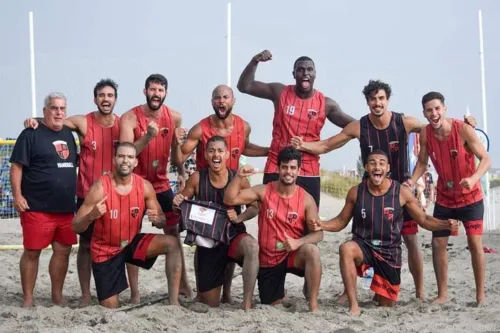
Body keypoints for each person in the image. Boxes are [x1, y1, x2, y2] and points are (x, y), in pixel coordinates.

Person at [291, 80, 473, 299]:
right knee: (360, 241)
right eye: (372, 99)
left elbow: (436, 124)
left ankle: (420, 292)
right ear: (367, 102)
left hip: (401, 194)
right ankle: (349, 291)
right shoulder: (360, 126)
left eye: (381, 98)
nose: (377, 103)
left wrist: (466, 125)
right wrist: (303, 146)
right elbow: (327, 145)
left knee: (411, 240)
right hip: (371, 194)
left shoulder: (403, 122)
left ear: (387, 100)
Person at [22, 79, 140, 305]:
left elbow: (135, 149)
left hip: (116, 196)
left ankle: (133, 293)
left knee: (125, 242)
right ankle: (86, 295)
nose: (106, 99)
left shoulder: (123, 124)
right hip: (86, 195)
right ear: (95, 98)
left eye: (110, 95)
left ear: (115, 99)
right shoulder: (83, 122)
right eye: (102, 95)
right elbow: (56, 121)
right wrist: (34, 120)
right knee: (85, 245)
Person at [309, 150, 457, 315]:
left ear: (387, 168)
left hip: (389, 254)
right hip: (363, 246)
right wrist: (322, 225)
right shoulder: (355, 192)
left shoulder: (401, 192)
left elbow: (423, 219)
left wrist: (445, 225)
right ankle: (354, 306)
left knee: (385, 305)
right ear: (366, 167)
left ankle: (377, 289)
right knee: (346, 249)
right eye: (372, 162)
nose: (376, 166)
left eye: (381, 163)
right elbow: (341, 221)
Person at [237, 50, 355, 207]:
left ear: (315, 74)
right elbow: (244, 86)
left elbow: (354, 127)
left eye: (309, 69)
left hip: (308, 169)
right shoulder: (280, 92)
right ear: (294, 74)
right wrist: (254, 61)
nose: (305, 73)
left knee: (308, 222)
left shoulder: (326, 104)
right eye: (300, 69)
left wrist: (326, 145)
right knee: (271, 216)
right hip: (277, 166)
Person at [71, 142, 182, 308]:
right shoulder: (100, 187)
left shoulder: (144, 186)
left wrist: (158, 220)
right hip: (105, 250)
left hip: (130, 243)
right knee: (110, 306)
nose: (125, 160)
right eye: (121, 156)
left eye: (130, 157)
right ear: (114, 160)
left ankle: (174, 303)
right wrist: (91, 216)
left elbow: (161, 221)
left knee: (172, 244)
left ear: (136, 162)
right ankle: (96, 295)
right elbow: (75, 226)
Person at [408, 91, 490, 305]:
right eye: (429, 110)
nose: (433, 113)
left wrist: (473, 178)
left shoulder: (463, 129)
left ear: (444, 109)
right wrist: (411, 180)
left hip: (470, 197)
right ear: (424, 113)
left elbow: (486, 159)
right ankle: (442, 294)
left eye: (437, 109)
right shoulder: (425, 133)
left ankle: (480, 295)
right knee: (438, 244)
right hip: (445, 198)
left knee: (474, 243)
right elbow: (423, 162)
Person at [224, 147, 323, 312]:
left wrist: (299, 242)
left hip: (293, 254)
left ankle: (313, 305)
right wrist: (239, 176)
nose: (288, 172)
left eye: (292, 168)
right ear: (278, 168)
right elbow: (230, 198)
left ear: (299, 170)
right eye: (284, 167)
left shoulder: (306, 199)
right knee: (271, 304)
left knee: (312, 251)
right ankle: (277, 295)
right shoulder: (263, 191)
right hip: (269, 259)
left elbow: (319, 234)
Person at [119, 73, 192, 297]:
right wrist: (148, 137)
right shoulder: (130, 118)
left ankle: (182, 285)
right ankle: (135, 292)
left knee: (174, 230)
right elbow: (125, 154)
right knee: (131, 234)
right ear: (145, 92)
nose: (156, 94)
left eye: (160, 91)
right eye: (152, 90)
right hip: (135, 184)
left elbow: (176, 154)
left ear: (165, 94)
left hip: (160, 183)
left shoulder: (174, 118)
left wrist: (181, 172)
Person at [172, 136, 259, 310]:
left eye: (220, 151)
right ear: (205, 155)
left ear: (227, 154)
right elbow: (181, 205)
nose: (216, 155)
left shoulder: (238, 177)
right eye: (211, 151)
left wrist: (239, 218)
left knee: (252, 246)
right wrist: (177, 201)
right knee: (210, 303)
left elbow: (255, 207)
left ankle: (246, 303)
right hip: (208, 239)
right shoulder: (197, 178)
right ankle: (206, 292)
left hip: (233, 233)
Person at [10, 92, 78, 307]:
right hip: (37, 206)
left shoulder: (69, 134)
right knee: (32, 252)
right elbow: (17, 166)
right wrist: (18, 195)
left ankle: (56, 296)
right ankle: (28, 298)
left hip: (66, 208)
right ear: (44, 111)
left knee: (63, 251)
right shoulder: (31, 133)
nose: (59, 112)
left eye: (62, 108)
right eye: (54, 108)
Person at [174, 84, 268, 170]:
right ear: (212, 102)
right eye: (217, 98)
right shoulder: (199, 130)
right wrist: (175, 142)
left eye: (225, 97)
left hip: (231, 185)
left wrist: (271, 151)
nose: (221, 101)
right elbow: (178, 160)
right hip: (205, 185)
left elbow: (245, 148)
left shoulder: (244, 127)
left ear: (233, 101)